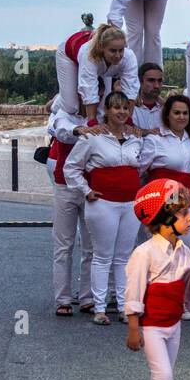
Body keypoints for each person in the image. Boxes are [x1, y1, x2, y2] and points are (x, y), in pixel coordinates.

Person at [123, 179, 190, 380]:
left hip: (173, 325)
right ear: (164, 220)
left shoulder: (184, 252)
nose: (189, 218)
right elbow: (134, 292)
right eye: (182, 214)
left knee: (160, 378)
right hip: (151, 326)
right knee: (164, 375)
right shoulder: (144, 254)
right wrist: (134, 328)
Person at [63, 91, 144, 322]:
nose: (121, 112)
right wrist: (86, 191)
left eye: (125, 108)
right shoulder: (93, 137)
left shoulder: (135, 138)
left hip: (130, 203)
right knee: (102, 256)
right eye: (116, 108)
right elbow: (72, 167)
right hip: (103, 203)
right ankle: (99, 308)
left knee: (123, 257)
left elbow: (142, 166)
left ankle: (123, 306)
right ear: (106, 111)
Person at [47, 97, 97, 316]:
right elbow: (61, 132)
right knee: (63, 245)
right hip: (65, 185)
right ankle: (63, 298)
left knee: (91, 246)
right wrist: (80, 130)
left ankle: (87, 297)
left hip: (92, 187)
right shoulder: (64, 114)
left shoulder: (100, 115)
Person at [138, 94, 190, 248]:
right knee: (162, 250)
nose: (181, 116)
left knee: (183, 249)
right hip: (165, 204)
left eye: (185, 113)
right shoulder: (155, 140)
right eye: (176, 113)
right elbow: (139, 170)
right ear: (167, 115)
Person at [56, 23, 139, 121]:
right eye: (113, 51)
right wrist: (92, 123)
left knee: (103, 109)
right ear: (102, 48)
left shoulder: (129, 56)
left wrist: (128, 121)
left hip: (103, 64)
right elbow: (89, 88)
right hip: (68, 55)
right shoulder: (88, 54)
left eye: (121, 50)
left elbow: (130, 90)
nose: (117, 55)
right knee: (70, 106)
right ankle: (57, 100)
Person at [129, 63, 165, 134]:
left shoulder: (167, 109)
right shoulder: (129, 107)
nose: (156, 86)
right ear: (140, 82)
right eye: (151, 80)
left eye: (160, 81)